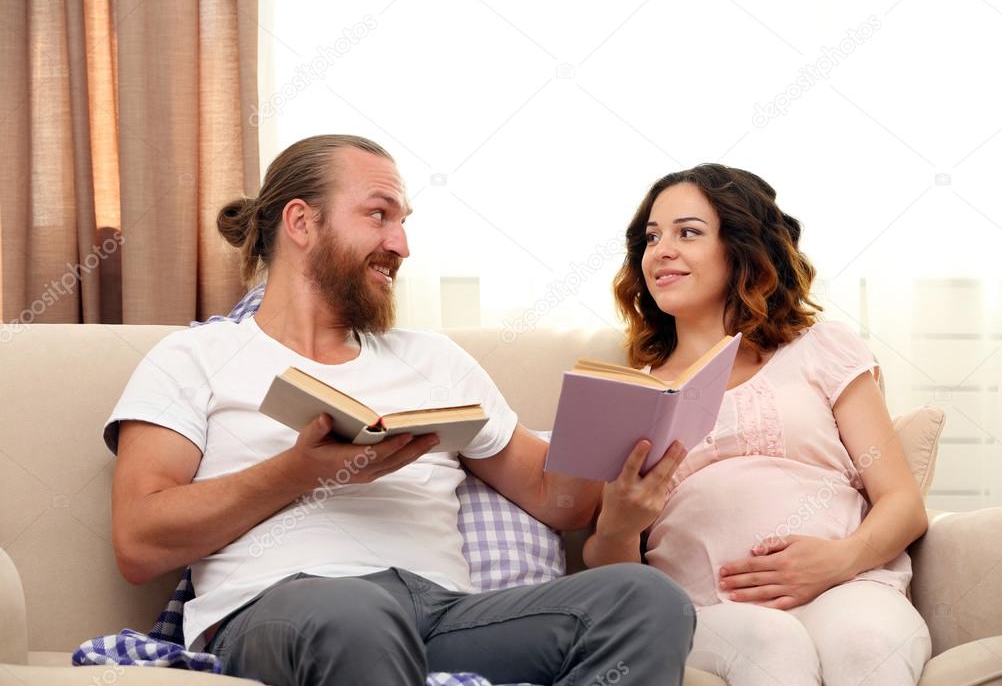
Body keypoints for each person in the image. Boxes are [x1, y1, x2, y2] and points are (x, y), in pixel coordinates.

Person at [104, 134, 695, 686]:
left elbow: (555, 500)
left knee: (646, 599)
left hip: (442, 616)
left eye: (403, 223)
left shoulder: (435, 360)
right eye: (379, 215)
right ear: (302, 222)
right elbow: (140, 542)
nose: (401, 246)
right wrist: (300, 471)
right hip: (284, 607)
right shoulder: (195, 356)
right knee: (352, 609)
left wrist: (608, 436)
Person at [583, 164, 932, 686]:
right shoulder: (632, 395)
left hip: (848, 585)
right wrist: (619, 524)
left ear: (742, 247)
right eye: (651, 238)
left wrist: (840, 560)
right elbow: (611, 568)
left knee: (868, 645)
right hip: (706, 612)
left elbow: (903, 501)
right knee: (774, 644)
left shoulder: (821, 349)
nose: (661, 250)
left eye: (688, 232)